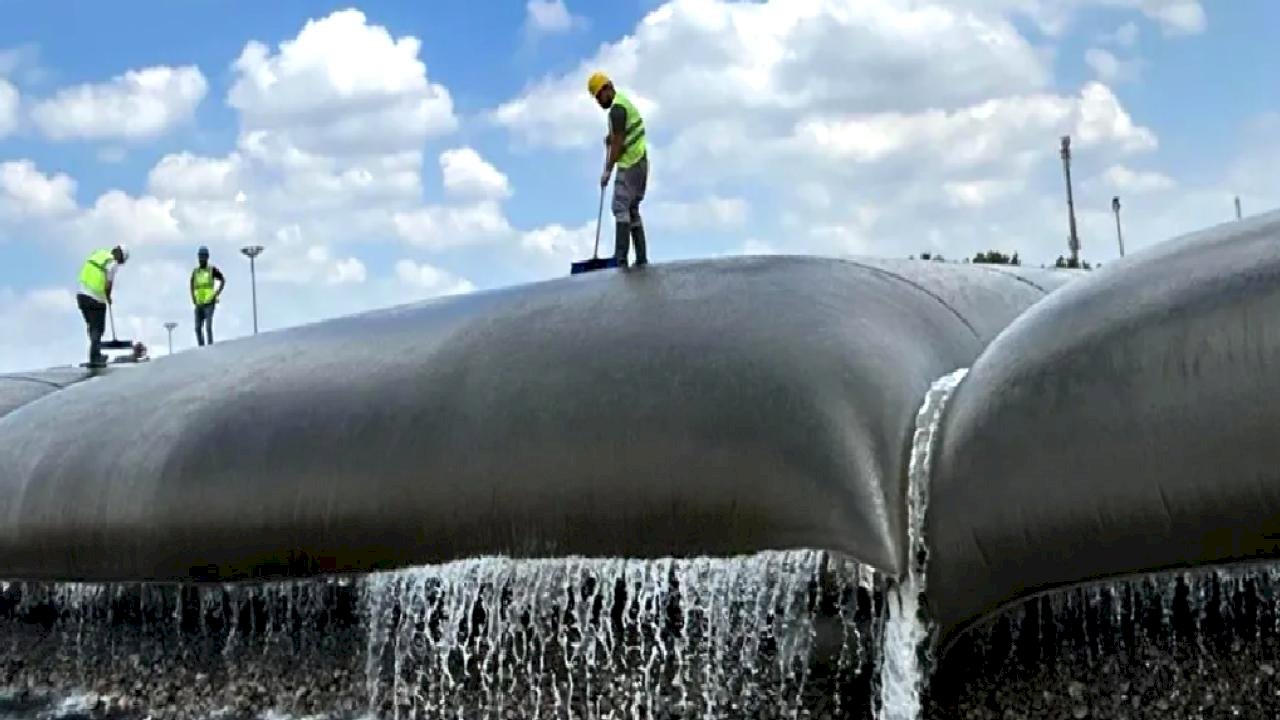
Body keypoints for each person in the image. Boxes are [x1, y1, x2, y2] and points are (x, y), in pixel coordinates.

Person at [588, 71, 648, 268]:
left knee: (620, 206)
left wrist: (607, 170)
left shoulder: (617, 110)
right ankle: (641, 259)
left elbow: (619, 143)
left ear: (608, 88)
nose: (598, 101)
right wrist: (611, 136)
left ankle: (620, 259)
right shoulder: (622, 103)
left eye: (599, 96)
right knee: (632, 208)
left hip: (629, 163)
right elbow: (620, 133)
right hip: (641, 162)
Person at [76, 245, 128, 367]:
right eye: (121, 261)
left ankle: (95, 353)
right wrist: (108, 297)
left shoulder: (99, 254)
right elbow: (108, 283)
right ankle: (95, 357)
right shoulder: (112, 262)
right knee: (98, 329)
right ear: (119, 256)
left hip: (81, 296)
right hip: (95, 299)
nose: (119, 264)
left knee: (92, 326)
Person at [190, 246, 226, 346]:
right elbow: (191, 283)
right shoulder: (196, 271)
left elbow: (223, 280)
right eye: (200, 256)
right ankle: (201, 346)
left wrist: (217, 293)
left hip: (209, 303)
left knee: (208, 327)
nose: (201, 259)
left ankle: (210, 346)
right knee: (197, 328)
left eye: (203, 256)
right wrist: (192, 296)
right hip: (199, 303)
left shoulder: (212, 270)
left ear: (207, 257)